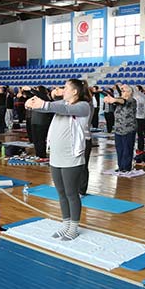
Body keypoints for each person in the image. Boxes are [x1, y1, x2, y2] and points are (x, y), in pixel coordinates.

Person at [26, 79, 92, 241]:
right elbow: (49, 108)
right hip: (56, 155)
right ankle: (66, 224)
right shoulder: (63, 103)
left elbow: (61, 108)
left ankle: (74, 227)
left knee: (71, 193)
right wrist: (32, 104)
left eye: (66, 87)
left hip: (71, 157)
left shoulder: (84, 106)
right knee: (61, 193)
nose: (63, 90)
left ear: (75, 91)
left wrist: (45, 103)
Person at [105, 84, 137, 173]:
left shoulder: (132, 100)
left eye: (124, 91)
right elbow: (118, 101)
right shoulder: (119, 100)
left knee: (127, 149)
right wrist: (110, 99)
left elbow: (123, 101)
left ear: (129, 93)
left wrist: (114, 99)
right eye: (122, 91)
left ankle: (126, 168)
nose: (122, 92)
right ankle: (120, 166)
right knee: (119, 149)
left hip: (128, 130)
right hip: (118, 129)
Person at [133, 85, 145, 152]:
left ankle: (140, 148)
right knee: (134, 133)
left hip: (140, 117)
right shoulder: (135, 96)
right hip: (135, 116)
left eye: (136, 88)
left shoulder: (142, 95)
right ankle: (136, 147)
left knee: (140, 134)